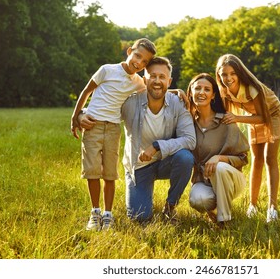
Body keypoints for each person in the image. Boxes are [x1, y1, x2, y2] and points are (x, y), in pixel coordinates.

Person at [80, 56, 196, 222]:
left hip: (166, 161)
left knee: (185, 158)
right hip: (139, 166)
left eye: (162, 77)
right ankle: (140, 198)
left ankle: (170, 207)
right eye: (152, 76)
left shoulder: (178, 103)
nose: (157, 81)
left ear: (169, 81)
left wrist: (157, 146)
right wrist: (81, 114)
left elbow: (190, 140)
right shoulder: (130, 102)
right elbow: (102, 109)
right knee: (139, 217)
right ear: (144, 80)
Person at [70, 38, 157, 231]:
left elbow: (155, 91)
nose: (139, 63)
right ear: (129, 52)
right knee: (92, 172)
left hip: (113, 129)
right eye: (137, 56)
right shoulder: (107, 70)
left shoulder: (138, 82)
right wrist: (76, 117)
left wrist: (178, 92)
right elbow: (86, 91)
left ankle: (108, 215)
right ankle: (95, 212)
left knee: (110, 173)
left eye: (144, 62)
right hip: (92, 125)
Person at [215, 54, 280, 223]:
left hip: (271, 114)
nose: (228, 78)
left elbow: (262, 117)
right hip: (252, 116)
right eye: (224, 74)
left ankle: (272, 208)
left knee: (269, 158)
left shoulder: (253, 88)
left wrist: (237, 118)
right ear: (219, 75)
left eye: (232, 73)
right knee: (256, 159)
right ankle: (253, 205)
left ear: (239, 73)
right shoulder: (224, 90)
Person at [187, 73, 249, 228]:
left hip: (230, 179)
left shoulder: (225, 121)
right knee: (197, 200)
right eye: (197, 88)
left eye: (207, 89)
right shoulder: (187, 124)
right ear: (191, 93)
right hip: (204, 181)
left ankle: (224, 220)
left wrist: (220, 158)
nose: (202, 92)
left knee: (219, 167)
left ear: (213, 95)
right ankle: (212, 209)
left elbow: (243, 158)